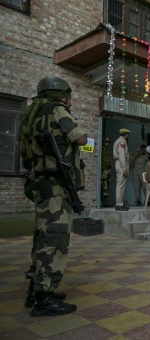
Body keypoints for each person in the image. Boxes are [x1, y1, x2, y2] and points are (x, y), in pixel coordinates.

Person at [24, 76, 87, 316]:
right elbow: (79, 138)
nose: (69, 101)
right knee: (55, 240)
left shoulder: (33, 113)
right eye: (68, 97)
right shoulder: (56, 109)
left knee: (42, 237)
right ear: (61, 95)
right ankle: (44, 298)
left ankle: (35, 289)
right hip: (56, 185)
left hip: (40, 182)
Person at [113, 128, 131, 211]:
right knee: (120, 184)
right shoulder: (122, 142)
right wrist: (124, 169)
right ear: (126, 134)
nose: (128, 136)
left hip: (120, 163)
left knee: (121, 184)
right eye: (128, 134)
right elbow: (122, 156)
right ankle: (119, 204)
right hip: (121, 163)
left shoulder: (119, 140)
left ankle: (120, 203)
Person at [101, 137, 113, 207]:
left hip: (107, 169)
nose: (107, 144)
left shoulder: (108, 150)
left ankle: (106, 202)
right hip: (103, 170)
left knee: (106, 186)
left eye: (108, 142)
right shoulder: (101, 150)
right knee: (104, 186)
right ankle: (104, 202)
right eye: (106, 142)